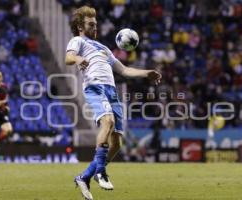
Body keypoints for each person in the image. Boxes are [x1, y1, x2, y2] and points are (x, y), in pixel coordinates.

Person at [65, 6, 161, 200]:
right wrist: (77, 58)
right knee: (107, 122)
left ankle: (84, 177)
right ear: (80, 27)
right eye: (91, 25)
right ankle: (101, 171)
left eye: (96, 24)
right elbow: (68, 57)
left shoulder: (104, 48)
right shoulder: (78, 41)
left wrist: (146, 73)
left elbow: (124, 70)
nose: (95, 27)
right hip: (95, 87)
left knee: (116, 143)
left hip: (111, 91)